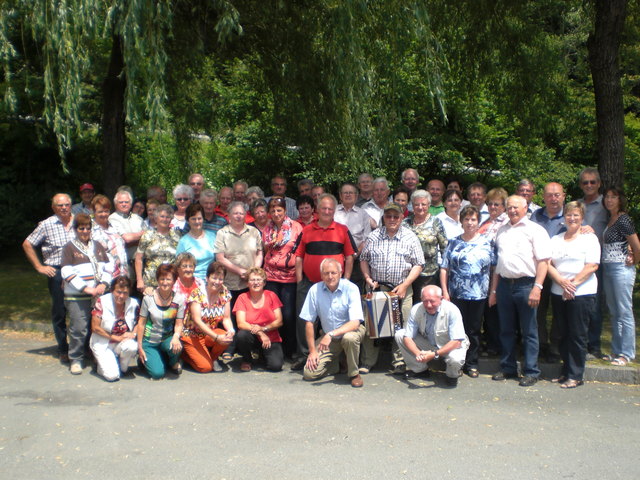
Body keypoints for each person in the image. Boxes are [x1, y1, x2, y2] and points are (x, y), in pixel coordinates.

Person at [488, 195, 551, 387]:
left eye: (516, 207)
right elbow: (498, 264)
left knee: (529, 331)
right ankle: (508, 367)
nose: (512, 211)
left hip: (526, 285)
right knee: (506, 330)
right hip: (505, 285)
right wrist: (494, 291)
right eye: (509, 207)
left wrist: (537, 287)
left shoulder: (535, 230)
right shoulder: (502, 231)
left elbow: (544, 261)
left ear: (525, 209)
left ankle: (531, 370)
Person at [359, 203, 425, 372]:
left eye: (396, 216)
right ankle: (368, 361)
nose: (392, 219)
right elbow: (364, 259)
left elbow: (418, 264)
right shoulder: (374, 236)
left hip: (401, 289)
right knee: (371, 326)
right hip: (377, 288)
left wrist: (405, 285)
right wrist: (367, 278)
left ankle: (399, 361)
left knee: (403, 326)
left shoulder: (410, 237)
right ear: (384, 218)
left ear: (402, 218)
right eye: (389, 216)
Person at [293, 194, 356, 369]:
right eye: (324, 208)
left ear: (334, 211)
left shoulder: (342, 229)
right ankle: (305, 355)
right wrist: (300, 282)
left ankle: (341, 356)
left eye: (330, 209)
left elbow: (350, 257)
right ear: (317, 210)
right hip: (309, 283)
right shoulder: (306, 230)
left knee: (337, 318)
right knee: (304, 320)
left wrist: (346, 280)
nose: (327, 211)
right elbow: (298, 257)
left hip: (335, 284)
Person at [547, 201, 600, 388]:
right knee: (562, 333)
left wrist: (572, 285)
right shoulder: (556, 239)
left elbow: (592, 265)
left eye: (576, 215)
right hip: (558, 291)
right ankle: (565, 370)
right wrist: (562, 282)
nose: (572, 218)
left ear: (582, 217)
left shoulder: (590, 238)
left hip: (582, 292)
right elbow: (548, 264)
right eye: (569, 215)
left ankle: (576, 375)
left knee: (577, 334)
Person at [440, 205, 495, 378]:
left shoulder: (487, 242)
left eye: (473, 219)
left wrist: (493, 291)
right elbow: (444, 268)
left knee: (473, 330)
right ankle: (456, 362)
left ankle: (472, 363)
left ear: (478, 222)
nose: (470, 223)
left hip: (479, 294)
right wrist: (445, 292)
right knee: (456, 330)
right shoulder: (454, 242)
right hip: (456, 294)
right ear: (461, 221)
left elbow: (494, 269)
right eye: (466, 219)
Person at [23, 194, 76, 361]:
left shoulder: (79, 221)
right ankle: (63, 348)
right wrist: (39, 266)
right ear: (53, 207)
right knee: (60, 310)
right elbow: (27, 243)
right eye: (60, 205)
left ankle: (81, 346)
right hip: (57, 271)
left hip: (79, 271)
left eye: (67, 204)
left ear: (71, 205)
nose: (64, 208)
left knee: (80, 310)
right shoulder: (46, 225)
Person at [301, 258, 366, 388]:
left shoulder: (351, 288)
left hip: (350, 332)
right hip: (330, 338)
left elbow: (355, 323)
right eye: (326, 273)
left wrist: (330, 334)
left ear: (340, 273)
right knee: (309, 374)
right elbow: (309, 322)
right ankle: (338, 362)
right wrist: (312, 351)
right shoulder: (315, 290)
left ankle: (354, 374)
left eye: (333, 273)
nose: (330, 276)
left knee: (349, 338)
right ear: (321, 275)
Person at [61, 213, 112, 374]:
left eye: (87, 228)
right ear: (76, 229)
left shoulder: (97, 245)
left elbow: (107, 268)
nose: (84, 231)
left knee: (99, 327)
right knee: (80, 327)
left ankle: (97, 355)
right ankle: (76, 358)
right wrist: (86, 288)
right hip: (77, 295)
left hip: (98, 294)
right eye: (81, 228)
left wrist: (103, 284)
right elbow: (66, 271)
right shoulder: (69, 247)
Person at [214, 201, 264, 355]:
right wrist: (240, 271)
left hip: (249, 282)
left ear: (245, 215)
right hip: (229, 281)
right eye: (235, 213)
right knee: (228, 316)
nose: (238, 215)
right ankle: (229, 347)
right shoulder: (222, 233)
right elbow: (220, 258)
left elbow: (259, 253)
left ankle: (248, 348)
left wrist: (253, 273)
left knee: (248, 315)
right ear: (228, 215)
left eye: (241, 213)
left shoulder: (254, 232)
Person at [395, 285, 469, 387]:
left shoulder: (452, 310)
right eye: (425, 301)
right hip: (430, 344)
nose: (429, 305)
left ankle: (452, 375)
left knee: (455, 359)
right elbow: (407, 336)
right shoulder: (416, 309)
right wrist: (418, 354)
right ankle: (420, 370)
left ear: (441, 299)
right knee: (400, 334)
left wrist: (434, 354)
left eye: (432, 301)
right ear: (421, 299)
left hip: (451, 346)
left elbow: (457, 341)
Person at [601, 188, 640, 366]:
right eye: (607, 197)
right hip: (608, 268)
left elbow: (636, 245)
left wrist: (634, 260)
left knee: (624, 311)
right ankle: (616, 350)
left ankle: (627, 353)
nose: (609, 200)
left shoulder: (623, 219)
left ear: (620, 199)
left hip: (621, 269)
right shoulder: (610, 219)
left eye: (613, 197)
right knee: (614, 312)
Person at [262, 196, 303, 358]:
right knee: (272, 314)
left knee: (288, 314)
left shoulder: (296, 227)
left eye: (279, 210)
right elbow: (266, 251)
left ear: (285, 210)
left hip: (289, 277)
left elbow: (300, 252)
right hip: (270, 276)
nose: (276, 213)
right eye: (272, 210)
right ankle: (274, 349)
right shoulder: (267, 228)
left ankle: (290, 348)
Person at [531, 182, 567, 361]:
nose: (553, 198)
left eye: (557, 194)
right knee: (538, 310)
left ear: (564, 196)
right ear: (543, 197)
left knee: (560, 311)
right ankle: (540, 345)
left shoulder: (571, 216)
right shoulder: (535, 216)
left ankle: (555, 347)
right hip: (540, 270)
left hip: (563, 272)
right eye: (550, 195)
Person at [181, 262, 234, 373]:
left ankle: (213, 358)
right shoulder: (197, 294)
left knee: (226, 337)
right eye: (214, 278)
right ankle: (185, 356)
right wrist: (215, 337)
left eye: (220, 279)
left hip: (209, 334)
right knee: (205, 368)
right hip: (192, 335)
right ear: (207, 278)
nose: (217, 282)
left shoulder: (225, 293)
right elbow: (197, 320)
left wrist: (231, 330)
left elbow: (227, 318)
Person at [578, 167, 608, 359]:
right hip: (576, 262)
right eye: (585, 182)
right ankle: (580, 343)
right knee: (579, 305)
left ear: (599, 183)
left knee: (595, 305)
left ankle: (594, 346)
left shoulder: (606, 204)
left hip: (598, 261)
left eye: (592, 182)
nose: (589, 185)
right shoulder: (576, 205)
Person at [137, 264, 185, 379]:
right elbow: (141, 323)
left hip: (166, 338)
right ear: (157, 280)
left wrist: (176, 337)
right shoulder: (148, 298)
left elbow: (179, 323)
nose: (165, 282)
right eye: (162, 279)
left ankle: (172, 362)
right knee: (157, 374)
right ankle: (146, 359)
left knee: (176, 346)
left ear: (174, 281)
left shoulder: (179, 299)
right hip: (150, 340)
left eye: (168, 279)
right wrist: (140, 347)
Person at [477, 187, 509, 356]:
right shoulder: (485, 221)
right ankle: (486, 340)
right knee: (485, 309)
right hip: (482, 274)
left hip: (496, 272)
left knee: (493, 308)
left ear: (504, 206)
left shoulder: (506, 223)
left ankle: (494, 345)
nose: (493, 207)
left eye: (497, 204)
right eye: (490, 204)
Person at [90, 275, 139, 382]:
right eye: (118, 292)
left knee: (132, 346)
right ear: (112, 290)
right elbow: (95, 328)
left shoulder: (133, 303)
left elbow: (139, 322)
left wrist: (133, 334)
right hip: (103, 342)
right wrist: (116, 338)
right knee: (112, 376)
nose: (121, 296)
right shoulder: (102, 301)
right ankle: (101, 366)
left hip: (122, 342)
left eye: (125, 293)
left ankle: (121, 368)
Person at [234, 267, 285, 372]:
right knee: (241, 335)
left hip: (270, 335)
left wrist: (264, 329)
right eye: (252, 280)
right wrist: (261, 333)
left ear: (264, 282)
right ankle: (247, 359)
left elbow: (279, 321)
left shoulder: (272, 295)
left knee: (275, 366)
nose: (256, 283)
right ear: (247, 283)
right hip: (251, 335)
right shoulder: (242, 298)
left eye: (258, 280)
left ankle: (262, 355)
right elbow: (241, 323)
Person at [403, 190, 448, 301]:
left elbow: (444, 248)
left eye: (423, 204)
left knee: (427, 304)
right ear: (412, 206)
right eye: (416, 204)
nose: (420, 207)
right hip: (407, 274)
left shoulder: (436, 222)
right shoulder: (405, 223)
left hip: (429, 274)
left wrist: (446, 271)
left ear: (429, 205)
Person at [135, 204, 181, 295]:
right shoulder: (147, 235)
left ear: (171, 219)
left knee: (170, 309)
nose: (165, 219)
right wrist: (139, 280)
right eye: (162, 216)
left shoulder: (177, 235)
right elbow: (138, 259)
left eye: (168, 217)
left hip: (171, 283)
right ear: (156, 218)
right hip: (150, 283)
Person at [334, 182, 373, 290]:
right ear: (340, 196)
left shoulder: (363, 214)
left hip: (357, 260)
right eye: (345, 193)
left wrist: (354, 255)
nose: (348, 195)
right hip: (336, 259)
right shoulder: (333, 212)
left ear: (356, 196)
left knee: (356, 291)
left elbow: (367, 238)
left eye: (351, 193)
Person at [91, 194, 129, 278]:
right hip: (104, 275)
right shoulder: (89, 229)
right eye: (100, 211)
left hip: (122, 273)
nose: (104, 214)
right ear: (94, 212)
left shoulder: (114, 226)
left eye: (106, 211)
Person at [176, 204, 216, 281]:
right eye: (193, 219)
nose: (197, 222)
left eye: (199, 218)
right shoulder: (183, 242)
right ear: (188, 220)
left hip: (212, 280)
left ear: (203, 219)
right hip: (192, 281)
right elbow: (179, 267)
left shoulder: (212, 236)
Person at [108, 190, 145, 265]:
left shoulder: (138, 218)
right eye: (121, 202)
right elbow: (127, 239)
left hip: (141, 262)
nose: (124, 204)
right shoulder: (112, 219)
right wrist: (142, 236)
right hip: (125, 264)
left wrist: (133, 240)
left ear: (131, 204)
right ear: (115, 204)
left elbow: (149, 237)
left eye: (126, 202)